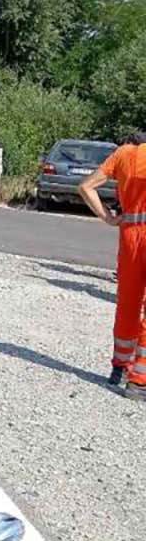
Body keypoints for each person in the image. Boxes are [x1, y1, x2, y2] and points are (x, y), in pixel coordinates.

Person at [79, 131, 146, 397]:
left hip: (129, 233)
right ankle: (140, 380)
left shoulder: (123, 155)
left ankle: (119, 367)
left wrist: (108, 217)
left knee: (128, 303)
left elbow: (85, 187)